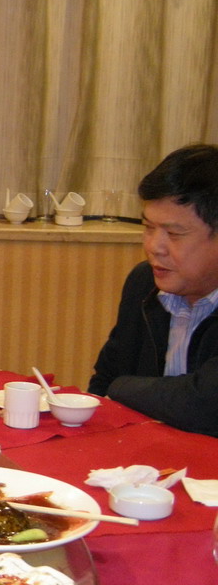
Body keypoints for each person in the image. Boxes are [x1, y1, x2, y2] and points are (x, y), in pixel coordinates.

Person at [88, 144, 218, 437]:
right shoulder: (144, 282)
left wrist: (121, 387)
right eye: (148, 227)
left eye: (173, 234)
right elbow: (105, 377)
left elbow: (207, 403)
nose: (153, 247)